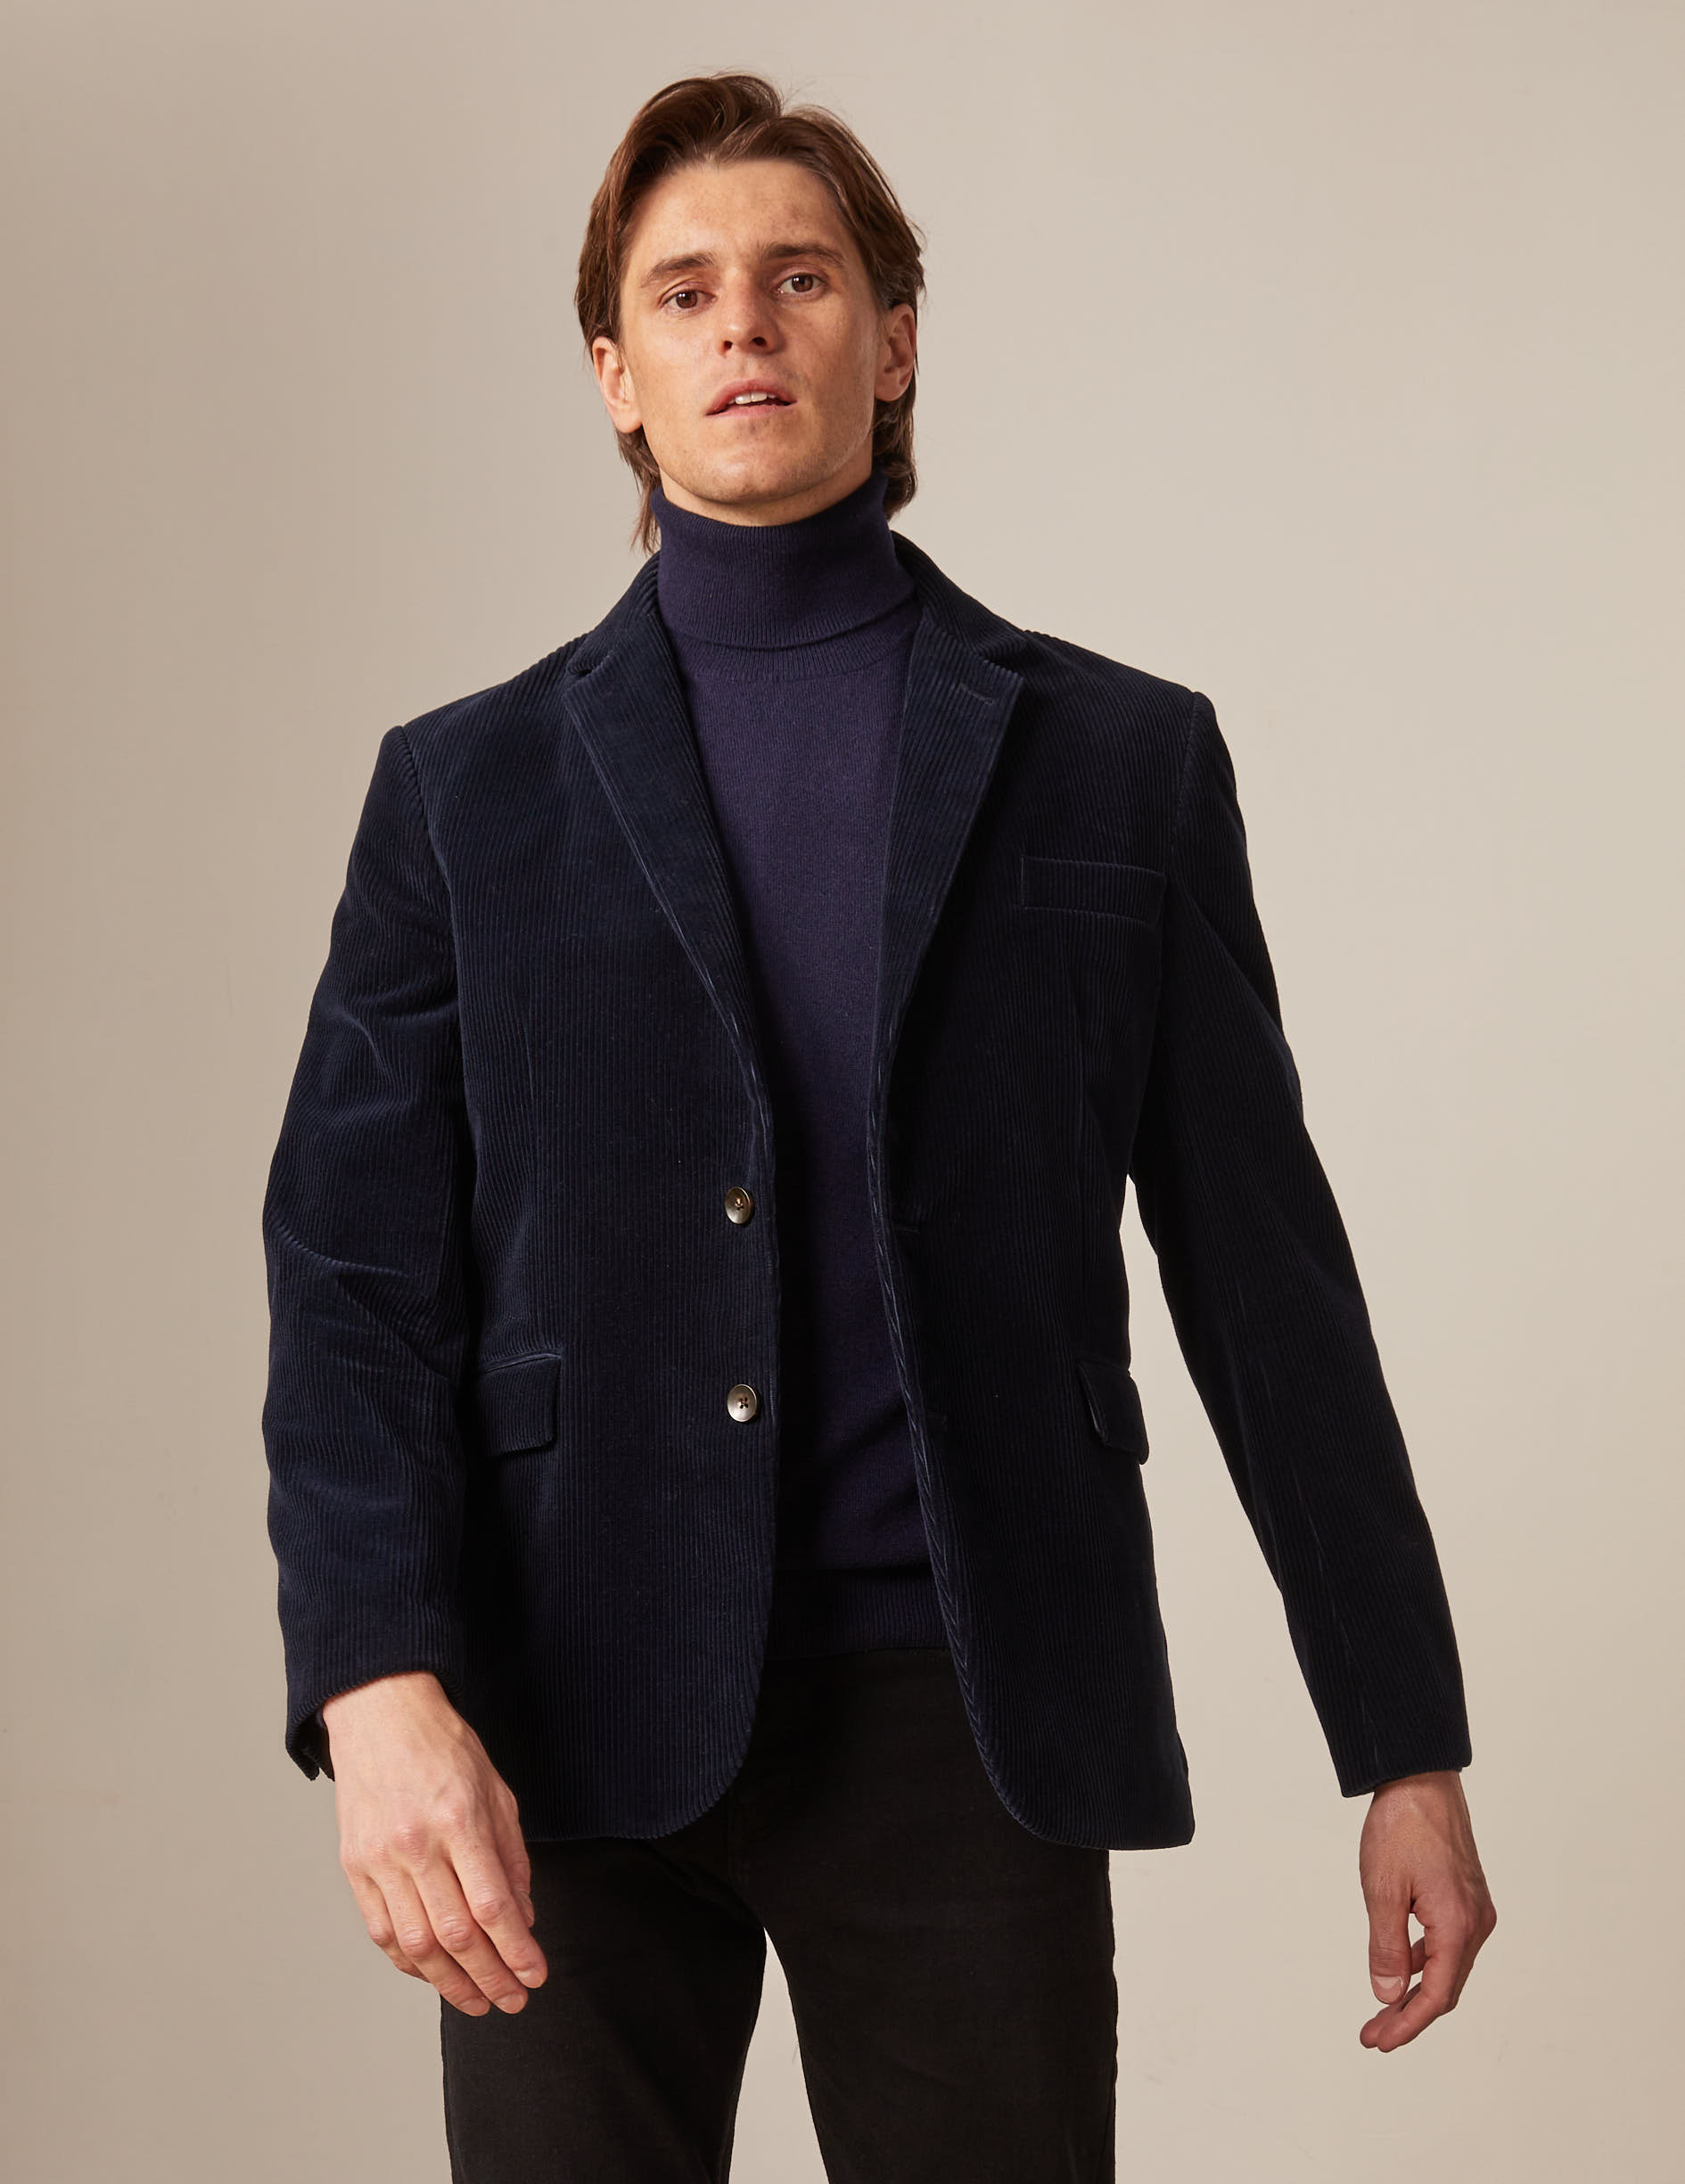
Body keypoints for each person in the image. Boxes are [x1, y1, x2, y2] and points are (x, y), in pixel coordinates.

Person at [261, 69, 1496, 2184]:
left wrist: (1405, 1739)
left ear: (893, 340)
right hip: (562, 1719)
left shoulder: (1118, 764)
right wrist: (378, 1685)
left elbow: (1266, 1282)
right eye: (683, 293)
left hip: (967, 1709)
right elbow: (353, 1280)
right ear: (617, 375)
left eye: (801, 277)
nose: (744, 323)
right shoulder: (463, 793)